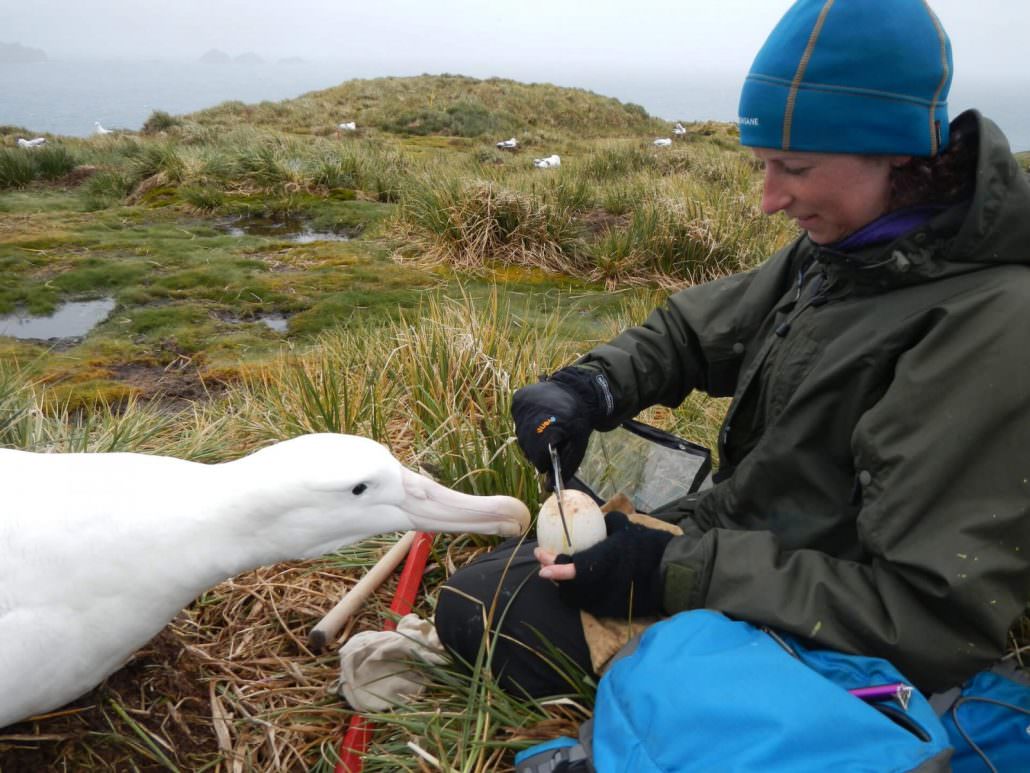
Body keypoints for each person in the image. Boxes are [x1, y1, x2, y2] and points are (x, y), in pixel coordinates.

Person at [435, 0, 1030, 701]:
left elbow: (929, 617)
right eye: (762, 165)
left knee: (486, 614)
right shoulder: (857, 246)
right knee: (497, 585)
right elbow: (697, 330)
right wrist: (588, 386)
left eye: (795, 167)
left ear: (897, 149)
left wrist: (672, 571)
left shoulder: (993, 325)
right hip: (751, 536)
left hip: (831, 616)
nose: (769, 200)